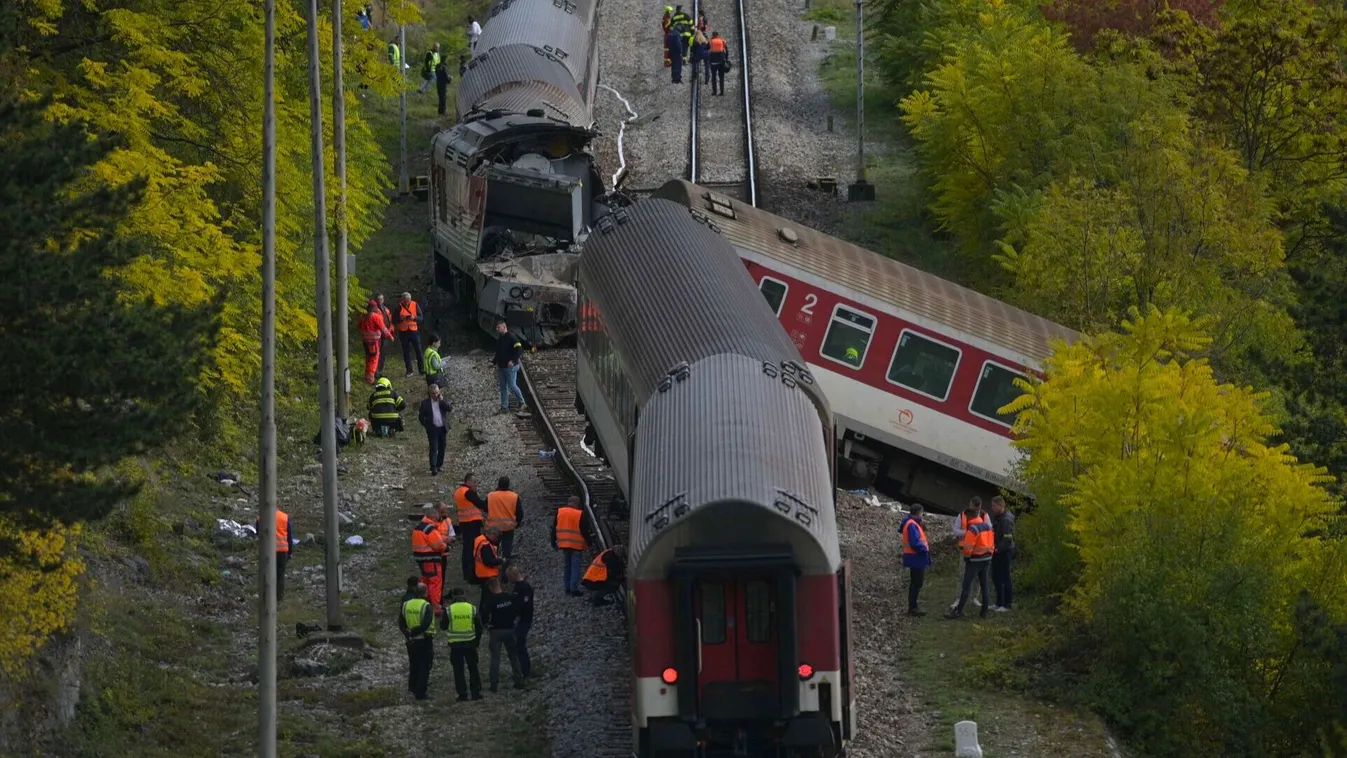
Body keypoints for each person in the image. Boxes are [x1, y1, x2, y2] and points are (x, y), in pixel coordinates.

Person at [946, 504, 995, 620]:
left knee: (966, 586)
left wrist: (967, 558)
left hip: (974, 561)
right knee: (984, 585)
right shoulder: (987, 527)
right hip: (987, 559)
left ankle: (958, 611)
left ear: (969, 517)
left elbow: (967, 548)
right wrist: (989, 554)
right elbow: (992, 543)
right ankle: (984, 612)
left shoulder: (972, 530)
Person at [480, 577, 524, 691]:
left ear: (490, 587)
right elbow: (519, 611)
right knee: (514, 656)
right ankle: (519, 680)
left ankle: (493, 684)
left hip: (496, 631)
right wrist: (515, 623)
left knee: (495, 658)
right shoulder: (510, 597)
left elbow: (484, 617)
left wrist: (487, 626)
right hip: (510, 629)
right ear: (499, 584)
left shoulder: (490, 601)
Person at [440, 587, 484, 701]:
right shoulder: (472, 609)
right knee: (473, 668)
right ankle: (476, 693)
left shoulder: (449, 610)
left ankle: (462, 694)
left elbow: (443, 626)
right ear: (464, 595)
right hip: (470, 643)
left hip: (455, 645)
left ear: (453, 597)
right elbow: (479, 627)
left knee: (458, 670)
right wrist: (477, 641)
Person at [398, 583, 436, 700]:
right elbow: (426, 623)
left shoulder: (406, 605)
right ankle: (421, 692)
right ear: (426, 592)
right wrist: (415, 632)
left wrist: (407, 633)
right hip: (424, 640)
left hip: (411, 641)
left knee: (413, 664)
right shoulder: (426, 606)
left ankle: (412, 687)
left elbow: (401, 621)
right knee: (424, 665)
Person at [950, 497, 987, 611]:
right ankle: (958, 598)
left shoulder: (985, 516)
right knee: (962, 575)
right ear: (970, 505)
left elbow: (988, 530)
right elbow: (955, 530)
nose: (975, 509)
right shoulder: (962, 515)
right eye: (973, 507)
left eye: (977, 507)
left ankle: (974, 598)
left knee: (977, 578)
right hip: (965, 550)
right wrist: (968, 532)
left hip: (980, 552)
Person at [412, 503, 449, 614]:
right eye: (437, 517)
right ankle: (436, 608)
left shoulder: (418, 527)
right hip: (431, 560)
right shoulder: (430, 529)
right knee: (435, 584)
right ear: (433, 517)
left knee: (426, 581)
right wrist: (447, 547)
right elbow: (438, 545)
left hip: (421, 560)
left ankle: (424, 603)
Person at [491, 319, 531, 414]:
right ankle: (504, 407)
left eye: (499, 327)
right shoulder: (500, 338)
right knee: (503, 388)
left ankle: (522, 402)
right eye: (497, 327)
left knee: (512, 385)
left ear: (504, 327)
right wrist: (493, 362)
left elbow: (519, 349)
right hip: (502, 367)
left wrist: (513, 360)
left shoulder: (511, 337)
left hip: (511, 367)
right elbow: (499, 352)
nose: (497, 329)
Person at [455, 473, 489, 582]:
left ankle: (467, 573)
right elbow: (481, 504)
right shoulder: (468, 492)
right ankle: (472, 574)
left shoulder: (459, 491)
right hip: (471, 524)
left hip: (465, 523)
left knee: (467, 549)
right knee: (471, 549)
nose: (476, 484)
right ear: (468, 481)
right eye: (474, 482)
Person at [900, 505, 931, 617]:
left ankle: (913, 606)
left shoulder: (909, 523)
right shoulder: (912, 525)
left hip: (913, 557)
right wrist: (924, 550)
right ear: (918, 512)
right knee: (917, 582)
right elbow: (914, 542)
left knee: (915, 582)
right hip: (916, 557)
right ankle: (913, 607)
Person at [552, 496, 587, 596]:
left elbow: (554, 528)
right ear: (578, 504)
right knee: (575, 566)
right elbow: (584, 530)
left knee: (567, 565)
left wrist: (553, 541)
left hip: (564, 544)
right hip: (576, 545)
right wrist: (589, 542)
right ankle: (574, 589)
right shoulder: (579, 514)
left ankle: (567, 587)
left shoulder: (560, 512)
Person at [255, 507, 291, 601]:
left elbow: (258, 533)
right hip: (282, 550)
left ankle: (267, 596)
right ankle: (279, 597)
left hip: (268, 551)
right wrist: (290, 551)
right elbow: (289, 537)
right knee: (280, 575)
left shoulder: (261, 517)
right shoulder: (284, 517)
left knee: (268, 573)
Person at [418, 384, 453, 476]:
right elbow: (421, 417)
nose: (435, 395)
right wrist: (427, 425)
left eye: (437, 393)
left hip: (442, 428)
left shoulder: (443, 400)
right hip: (432, 429)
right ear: (429, 394)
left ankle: (439, 465)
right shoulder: (425, 403)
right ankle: (433, 467)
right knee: (434, 448)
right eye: (433, 393)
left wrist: (441, 401)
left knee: (442, 447)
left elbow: (449, 408)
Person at [486, 476, 523, 560]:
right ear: (508, 485)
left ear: (498, 484)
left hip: (493, 528)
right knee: (507, 551)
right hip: (508, 528)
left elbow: (485, 508)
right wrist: (517, 523)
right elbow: (520, 514)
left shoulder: (491, 495)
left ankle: (493, 566)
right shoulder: (514, 496)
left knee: (492, 549)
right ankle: (504, 569)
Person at [989, 496, 1016, 612]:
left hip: (1004, 551)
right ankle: (999, 602)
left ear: (1000, 506)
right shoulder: (997, 517)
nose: (992, 508)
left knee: (1005, 577)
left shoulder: (1006, 519)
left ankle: (1007, 604)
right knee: (996, 576)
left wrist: (998, 549)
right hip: (997, 550)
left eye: (994, 506)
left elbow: (1008, 538)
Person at [507, 566, 534, 678]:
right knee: (518, 644)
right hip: (520, 620)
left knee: (520, 644)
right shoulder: (517, 587)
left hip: (524, 620)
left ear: (514, 575)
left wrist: (517, 613)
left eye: (509, 577)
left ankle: (525, 670)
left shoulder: (524, 587)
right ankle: (523, 669)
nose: (508, 580)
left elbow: (525, 604)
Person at [357, 299, 393, 384]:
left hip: (365, 341)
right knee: (373, 359)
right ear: (373, 307)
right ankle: (370, 379)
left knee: (368, 358)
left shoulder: (362, 316)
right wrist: (390, 336)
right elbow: (383, 328)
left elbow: (358, 327)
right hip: (373, 342)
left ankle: (367, 376)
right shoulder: (375, 316)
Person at [395, 292, 424, 377]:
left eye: (408, 300)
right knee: (406, 352)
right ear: (402, 300)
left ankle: (421, 370)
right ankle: (409, 370)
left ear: (410, 299)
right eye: (405, 301)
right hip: (403, 332)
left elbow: (421, 317)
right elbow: (394, 319)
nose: (407, 302)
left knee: (418, 350)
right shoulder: (398, 307)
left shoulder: (415, 305)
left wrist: (414, 317)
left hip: (414, 331)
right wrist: (400, 319)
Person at [474, 527, 505, 605]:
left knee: (485, 597)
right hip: (487, 574)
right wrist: (500, 561)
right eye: (496, 537)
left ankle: (483, 613)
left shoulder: (480, 539)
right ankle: (486, 614)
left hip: (481, 572)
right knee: (488, 598)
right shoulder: (486, 545)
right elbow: (488, 561)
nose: (496, 539)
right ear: (492, 534)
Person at [375, 293, 395, 376]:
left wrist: (391, 330)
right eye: (378, 299)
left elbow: (390, 321)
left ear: (383, 300)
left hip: (385, 334)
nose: (380, 301)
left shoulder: (386, 309)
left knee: (383, 353)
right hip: (378, 334)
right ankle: (375, 371)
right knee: (377, 353)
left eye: (381, 299)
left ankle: (379, 370)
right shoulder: (374, 310)